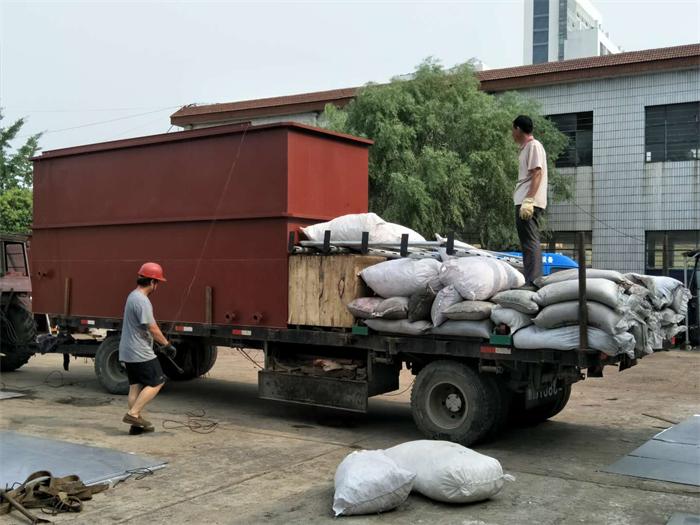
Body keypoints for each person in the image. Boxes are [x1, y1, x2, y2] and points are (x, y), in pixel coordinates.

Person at [118, 262, 176, 433]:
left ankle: (135, 426)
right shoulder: (142, 300)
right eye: (157, 282)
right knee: (158, 381)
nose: (157, 286)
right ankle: (133, 414)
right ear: (152, 282)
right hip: (139, 351)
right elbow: (152, 327)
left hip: (127, 350)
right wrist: (166, 345)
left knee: (135, 386)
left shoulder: (132, 296)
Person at [512, 115, 548, 286]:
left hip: (528, 202)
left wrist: (529, 200)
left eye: (513, 129)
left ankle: (533, 281)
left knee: (530, 241)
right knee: (526, 242)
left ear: (518, 129)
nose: (512, 134)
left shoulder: (534, 146)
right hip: (524, 201)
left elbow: (537, 173)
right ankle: (531, 279)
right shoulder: (526, 148)